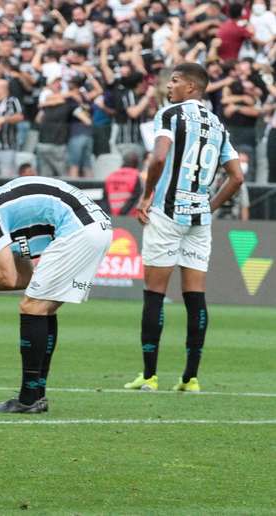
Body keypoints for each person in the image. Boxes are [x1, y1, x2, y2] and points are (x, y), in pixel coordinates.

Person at [0, 176, 112, 413]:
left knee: (32, 307)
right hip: (94, 225)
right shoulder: (10, 225)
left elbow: (8, 276)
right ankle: (36, 396)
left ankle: (28, 398)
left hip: (79, 229)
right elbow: (23, 279)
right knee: (43, 307)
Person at [125, 63, 243, 393]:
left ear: (191, 87)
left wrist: (147, 195)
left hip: (166, 213)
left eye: (174, 81)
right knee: (195, 298)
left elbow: (159, 158)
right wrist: (209, 206)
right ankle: (190, 379)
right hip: (198, 219)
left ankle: (149, 377)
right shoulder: (217, 124)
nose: (168, 86)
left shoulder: (170, 114)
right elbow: (237, 177)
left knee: (154, 295)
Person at [103, 152, 142, 217]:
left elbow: (105, 199)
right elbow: (135, 199)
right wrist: (122, 214)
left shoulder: (110, 176)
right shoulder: (136, 176)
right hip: (128, 218)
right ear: (136, 163)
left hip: (111, 217)